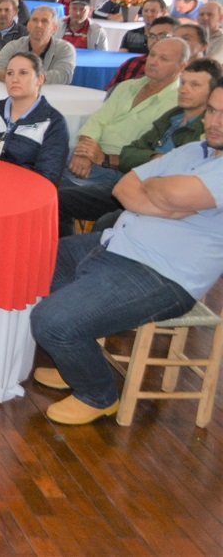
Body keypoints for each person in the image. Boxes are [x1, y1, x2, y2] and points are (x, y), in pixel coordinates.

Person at [30, 79, 223, 425]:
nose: (215, 122)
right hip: (116, 243)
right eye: (212, 110)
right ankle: (78, 360)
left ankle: (98, 395)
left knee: (51, 321)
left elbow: (166, 191)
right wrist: (163, 199)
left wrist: (157, 188)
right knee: (37, 265)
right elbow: (124, 186)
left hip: (162, 274)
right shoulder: (194, 151)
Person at [59, 58, 220, 235]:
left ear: (212, 93)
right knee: (58, 198)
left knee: (106, 221)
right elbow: (131, 150)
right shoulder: (173, 116)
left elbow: (175, 174)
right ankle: (60, 248)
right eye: (183, 82)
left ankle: (82, 254)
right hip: (133, 182)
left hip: (154, 195)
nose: (184, 89)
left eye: (195, 85)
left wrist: (151, 162)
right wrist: (154, 159)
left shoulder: (206, 133)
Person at [65, 36, 187, 189]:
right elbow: (97, 121)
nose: (153, 61)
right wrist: (84, 150)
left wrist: (104, 158)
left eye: (164, 59)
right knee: (39, 156)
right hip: (90, 153)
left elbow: (153, 155)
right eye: (152, 54)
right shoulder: (126, 86)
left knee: (50, 179)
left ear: (181, 67)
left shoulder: (179, 104)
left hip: (120, 169)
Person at [0, 52, 69, 185]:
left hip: (24, 194)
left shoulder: (53, 123)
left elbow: (47, 178)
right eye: (10, 73)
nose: (14, 79)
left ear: (40, 79)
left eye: (23, 73)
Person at [0, 7, 76, 84]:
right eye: (35, 20)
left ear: (54, 29)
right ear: (28, 25)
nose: (38, 25)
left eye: (44, 21)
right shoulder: (13, 46)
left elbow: (64, 75)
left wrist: (26, 79)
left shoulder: (65, 49)